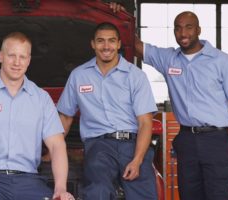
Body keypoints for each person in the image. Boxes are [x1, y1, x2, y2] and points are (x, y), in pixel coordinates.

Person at [135, 11, 228, 200]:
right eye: (178, 28)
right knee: (188, 195)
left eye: (188, 27)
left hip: (217, 139)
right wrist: (120, 14)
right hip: (186, 139)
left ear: (198, 30)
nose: (183, 33)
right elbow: (137, 46)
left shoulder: (221, 60)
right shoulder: (168, 58)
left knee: (218, 195)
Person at [0, 32, 74, 200]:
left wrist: (60, 188)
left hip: (30, 182)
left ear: (29, 60)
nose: (17, 62)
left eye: (22, 57)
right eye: (12, 56)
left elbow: (57, 146)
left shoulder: (42, 99)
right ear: (1, 56)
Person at [57, 22, 158, 200]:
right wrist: (52, 151)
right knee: (98, 190)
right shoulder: (79, 76)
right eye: (100, 41)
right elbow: (65, 116)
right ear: (93, 44)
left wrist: (137, 160)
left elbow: (145, 123)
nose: (106, 46)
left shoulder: (135, 76)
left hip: (132, 144)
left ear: (119, 44)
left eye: (111, 41)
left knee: (143, 193)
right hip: (99, 145)